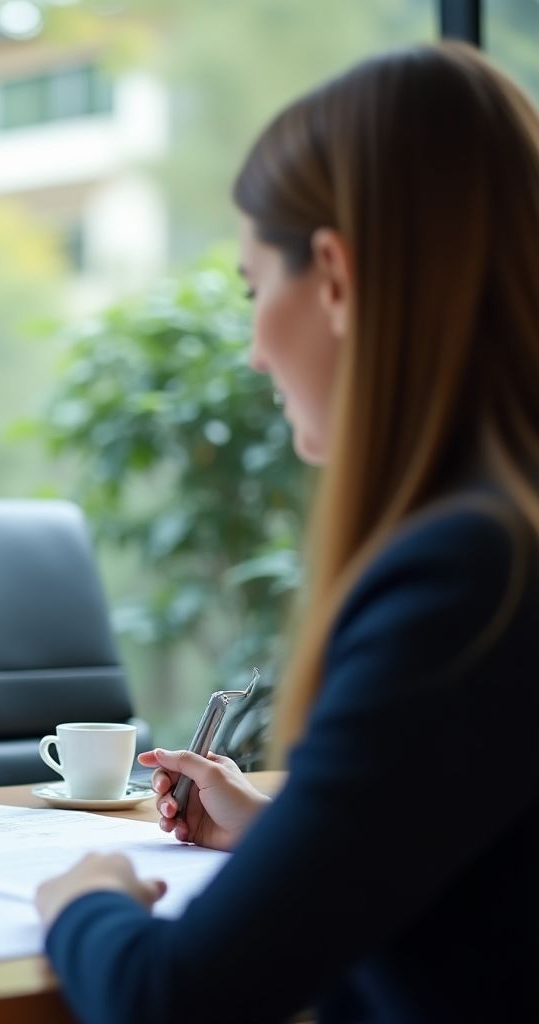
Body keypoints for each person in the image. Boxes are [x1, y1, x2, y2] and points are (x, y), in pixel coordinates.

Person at [35, 41, 539, 1022]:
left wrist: (82, 901)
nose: (257, 348)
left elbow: (175, 1000)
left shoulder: (465, 575)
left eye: (253, 286)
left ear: (338, 278)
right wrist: (292, 834)